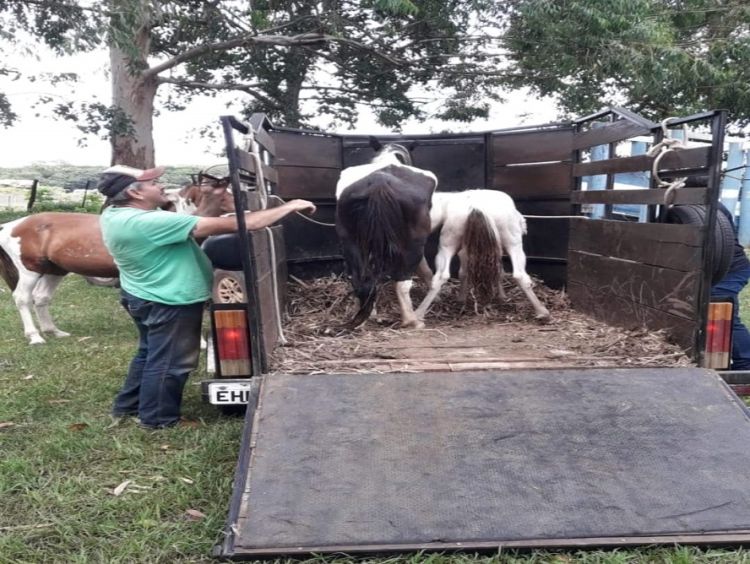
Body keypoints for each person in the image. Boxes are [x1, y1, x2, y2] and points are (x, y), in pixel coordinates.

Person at [97, 164, 316, 428]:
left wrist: (212, 197)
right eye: (154, 183)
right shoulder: (149, 222)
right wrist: (289, 206)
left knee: (150, 352)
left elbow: (196, 219)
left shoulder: (115, 214)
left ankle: (128, 406)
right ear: (135, 193)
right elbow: (244, 223)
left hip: (144, 294)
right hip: (169, 299)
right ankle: (158, 419)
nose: (162, 186)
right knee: (172, 361)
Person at [711, 202, 750, 370]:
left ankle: (745, 364)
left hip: (731, 269)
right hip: (721, 269)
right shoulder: (708, 206)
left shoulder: (709, 208)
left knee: (724, 315)